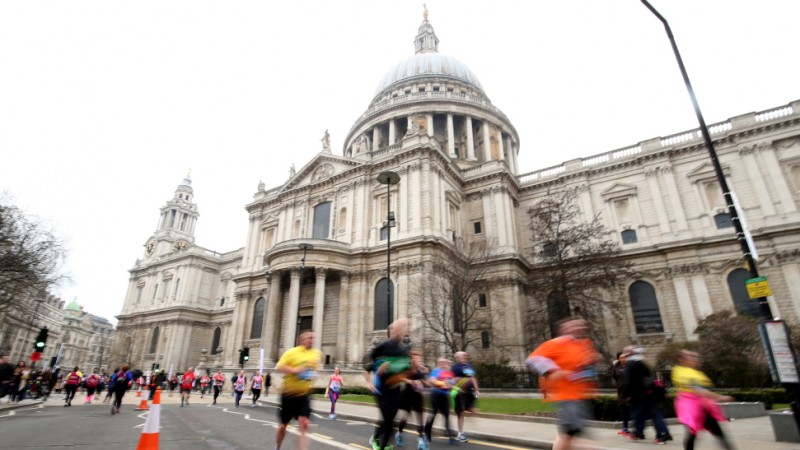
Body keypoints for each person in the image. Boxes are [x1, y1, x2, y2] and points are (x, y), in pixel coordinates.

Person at [526, 317, 600, 450]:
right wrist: (553, 370)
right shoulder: (556, 344)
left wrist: (592, 362)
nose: (578, 328)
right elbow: (533, 359)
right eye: (574, 326)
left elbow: (585, 368)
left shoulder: (584, 344)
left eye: (580, 325)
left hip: (579, 395)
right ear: (564, 329)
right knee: (571, 432)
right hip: (565, 396)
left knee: (569, 433)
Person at [672, 350, 735, 450]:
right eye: (689, 356)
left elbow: (705, 389)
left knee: (718, 432)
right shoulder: (679, 371)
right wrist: (720, 397)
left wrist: (714, 396)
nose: (693, 358)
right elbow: (697, 389)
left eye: (693, 356)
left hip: (704, 406)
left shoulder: (698, 373)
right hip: (691, 408)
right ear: (681, 360)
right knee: (692, 434)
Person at [365, 318, 412, 450]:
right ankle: (379, 443)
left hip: (395, 390)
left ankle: (378, 439)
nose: (405, 329)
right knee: (389, 421)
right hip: (381, 391)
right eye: (402, 327)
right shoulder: (383, 346)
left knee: (390, 421)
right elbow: (369, 364)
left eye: (406, 327)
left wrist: (406, 376)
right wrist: (371, 381)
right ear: (394, 329)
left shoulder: (404, 350)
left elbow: (405, 371)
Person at [275, 330, 322, 450]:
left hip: (303, 395)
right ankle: (278, 446)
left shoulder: (316, 354)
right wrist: (294, 370)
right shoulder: (291, 352)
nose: (311, 340)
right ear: (301, 340)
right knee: (283, 426)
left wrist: (314, 375)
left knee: (304, 424)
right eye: (309, 338)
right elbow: (279, 367)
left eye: (312, 338)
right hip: (288, 394)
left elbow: (315, 370)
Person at [623, 346, 672, 444]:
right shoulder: (642, 363)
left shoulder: (630, 364)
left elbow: (628, 382)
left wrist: (627, 394)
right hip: (649, 394)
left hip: (638, 396)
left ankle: (657, 435)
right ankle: (661, 434)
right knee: (653, 414)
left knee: (639, 415)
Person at [396, 349, 429, 450]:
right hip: (407, 396)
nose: (417, 358)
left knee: (420, 419)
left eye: (418, 357)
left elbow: (424, 376)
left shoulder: (419, 368)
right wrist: (411, 382)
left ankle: (420, 442)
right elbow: (400, 377)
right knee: (405, 418)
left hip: (418, 396)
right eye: (414, 357)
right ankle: (399, 434)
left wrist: (425, 382)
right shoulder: (406, 367)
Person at [424, 357, 458, 445]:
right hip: (435, 396)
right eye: (441, 362)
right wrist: (444, 383)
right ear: (438, 363)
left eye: (445, 362)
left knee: (446, 416)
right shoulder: (436, 371)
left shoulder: (449, 373)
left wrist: (450, 386)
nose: (443, 364)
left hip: (444, 397)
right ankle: (427, 433)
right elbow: (432, 381)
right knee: (432, 415)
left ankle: (451, 437)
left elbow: (452, 384)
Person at [452, 351, 480, 442]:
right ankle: (460, 433)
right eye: (462, 356)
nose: (464, 357)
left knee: (473, 410)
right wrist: (457, 387)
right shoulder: (455, 367)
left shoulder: (468, 366)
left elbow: (472, 378)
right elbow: (453, 379)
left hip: (468, 392)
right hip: (459, 392)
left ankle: (463, 429)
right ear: (457, 358)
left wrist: (476, 389)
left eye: (465, 355)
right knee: (461, 412)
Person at [611, 348, 632, 436]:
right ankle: (625, 428)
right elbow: (613, 377)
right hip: (621, 392)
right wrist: (617, 384)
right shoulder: (616, 367)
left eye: (625, 357)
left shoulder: (630, 366)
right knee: (623, 410)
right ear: (618, 358)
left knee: (632, 409)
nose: (623, 359)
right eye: (621, 357)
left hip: (630, 391)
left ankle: (636, 428)